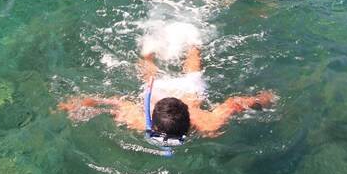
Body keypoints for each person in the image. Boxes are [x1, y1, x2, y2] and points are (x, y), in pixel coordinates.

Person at [59, 46, 275, 141]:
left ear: (153, 124)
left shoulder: (138, 120)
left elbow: (115, 103)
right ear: (189, 117)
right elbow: (233, 104)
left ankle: (150, 56)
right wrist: (262, 100)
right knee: (192, 71)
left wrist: (81, 104)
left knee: (153, 78)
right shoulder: (208, 124)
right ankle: (190, 47)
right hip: (180, 93)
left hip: (161, 94)